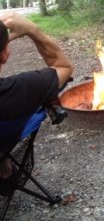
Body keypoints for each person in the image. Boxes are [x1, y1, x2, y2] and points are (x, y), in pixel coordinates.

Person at [0, 12, 73, 179]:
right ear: (4, 55)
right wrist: (32, 30)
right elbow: (63, 67)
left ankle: (4, 167)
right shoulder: (17, 90)